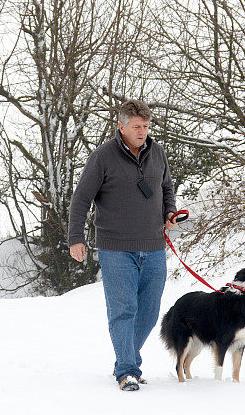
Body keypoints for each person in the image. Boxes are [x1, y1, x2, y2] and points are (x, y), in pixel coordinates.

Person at [68, 99, 178, 391]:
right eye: (136, 127)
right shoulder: (102, 157)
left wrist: (169, 211)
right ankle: (128, 370)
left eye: (146, 126)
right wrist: (75, 238)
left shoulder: (158, 153)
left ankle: (125, 359)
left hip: (154, 245)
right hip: (116, 247)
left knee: (150, 312)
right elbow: (81, 199)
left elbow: (167, 187)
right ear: (121, 126)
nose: (142, 132)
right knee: (123, 310)